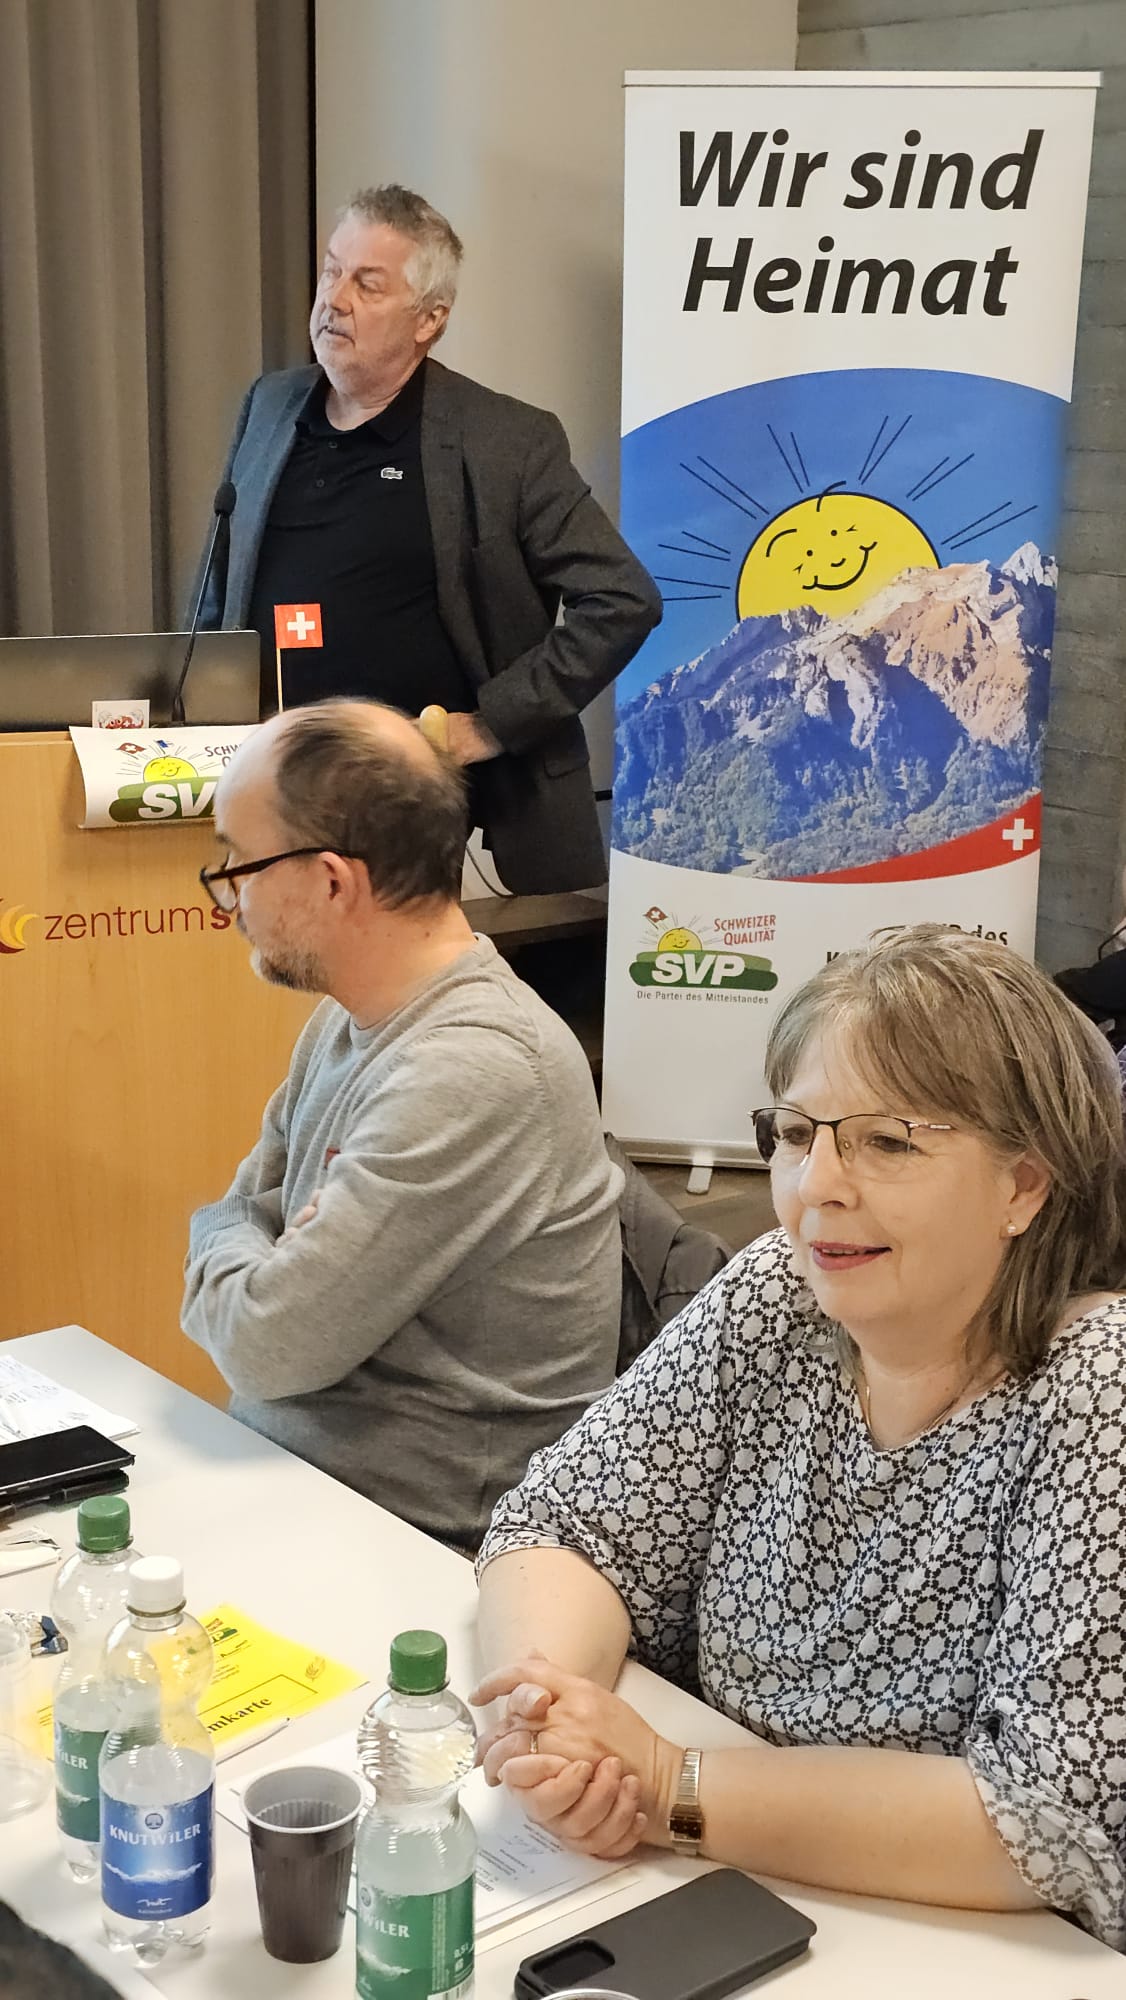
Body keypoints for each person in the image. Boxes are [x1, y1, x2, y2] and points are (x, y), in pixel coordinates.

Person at [472, 926, 1126, 1949]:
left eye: (887, 1141)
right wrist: (544, 1723)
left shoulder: (1098, 1386)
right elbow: (565, 1525)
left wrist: (669, 1782)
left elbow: (1042, 1821)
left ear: (1023, 1187)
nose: (816, 1183)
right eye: (794, 1132)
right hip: (732, 1896)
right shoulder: (780, 1289)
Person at [181, 699, 623, 1550]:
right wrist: (247, 1234)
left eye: (240, 863)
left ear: (332, 881)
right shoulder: (349, 1019)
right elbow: (241, 1214)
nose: (228, 897)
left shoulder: (470, 1069)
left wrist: (251, 1242)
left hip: (418, 1544)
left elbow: (265, 1344)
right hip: (299, 1487)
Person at [193, 183, 661, 895]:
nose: (333, 299)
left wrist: (491, 725)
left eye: (367, 284)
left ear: (429, 320)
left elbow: (622, 599)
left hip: (428, 811)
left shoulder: (504, 441)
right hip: (273, 790)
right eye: (331, 270)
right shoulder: (269, 406)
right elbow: (217, 591)